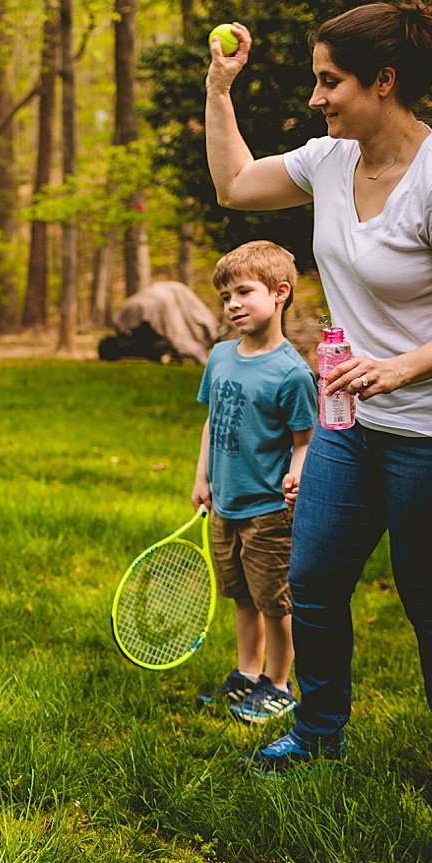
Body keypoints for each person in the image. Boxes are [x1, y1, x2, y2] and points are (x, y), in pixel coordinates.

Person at [205, 1, 432, 822]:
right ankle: (318, 731)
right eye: (316, 79)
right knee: (312, 581)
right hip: (355, 427)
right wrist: (218, 87)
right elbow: (236, 184)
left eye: (330, 81)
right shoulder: (328, 161)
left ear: (384, 83)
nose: (317, 98)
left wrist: (401, 367)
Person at [191, 241, 315, 724]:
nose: (232, 304)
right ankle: (247, 674)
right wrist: (202, 476)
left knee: (273, 602)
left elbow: (305, 439)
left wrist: (297, 474)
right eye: (225, 297)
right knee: (240, 595)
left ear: (280, 293)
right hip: (224, 503)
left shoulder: (292, 373)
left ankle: (280, 685)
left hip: (267, 511)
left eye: (244, 291)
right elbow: (210, 420)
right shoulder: (220, 356)